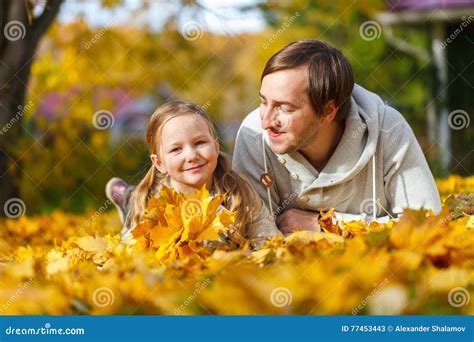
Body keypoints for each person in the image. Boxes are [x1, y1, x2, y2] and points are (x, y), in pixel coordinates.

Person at [232, 39, 442, 235]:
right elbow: (255, 237)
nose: (266, 120)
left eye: (285, 108)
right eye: (263, 101)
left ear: (327, 111)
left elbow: (427, 225)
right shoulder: (254, 135)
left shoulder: (388, 129)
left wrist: (325, 226)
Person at [111, 100, 281, 247]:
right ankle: (128, 199)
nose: (192, 156)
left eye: (200, 143)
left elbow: (267, 237)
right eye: (176, 149)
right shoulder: (155, 204)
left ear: (216, 146)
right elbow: (132, 251)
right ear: (159, 163)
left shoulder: (239, 191)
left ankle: (127, 197)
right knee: (136, 204)